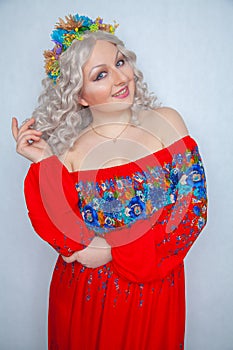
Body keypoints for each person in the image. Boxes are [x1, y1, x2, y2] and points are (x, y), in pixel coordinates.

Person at [11, 12, 207, 350]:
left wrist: (114, 249)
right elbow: (61, 231)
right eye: (101, 75)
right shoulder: (68, 150)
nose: (120, 78)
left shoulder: (167, 122)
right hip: (88, 294)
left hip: (156, 289)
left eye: (120, 62)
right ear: (80, 95)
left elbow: (192, 211)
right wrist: (44, 161)